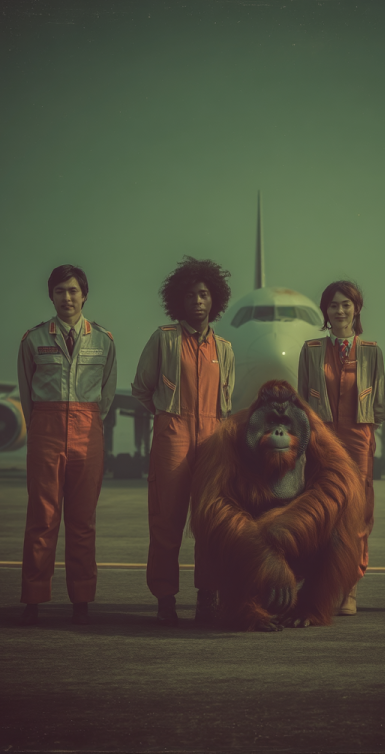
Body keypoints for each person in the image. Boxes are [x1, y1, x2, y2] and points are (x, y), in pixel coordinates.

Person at [131, 256, 234, 625]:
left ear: (214, 300)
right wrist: (165, 414)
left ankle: (208, 597)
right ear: (180, 300)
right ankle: (165, 600)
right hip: (172, 434)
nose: (198, 301)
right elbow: (141, 388)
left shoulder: (224, 348)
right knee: (166, 522)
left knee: (209, 523)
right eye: (191, 295)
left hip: (211, 438)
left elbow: (227, 401)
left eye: (204, 294)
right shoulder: (164, 339)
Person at [17, 264, 117, 625]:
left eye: (73, 290)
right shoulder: (32, 339)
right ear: (51, 296)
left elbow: (106, 395)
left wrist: (87, 422)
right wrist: (44, 424)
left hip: (87, 431)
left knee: (82, 521)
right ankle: (33, 599)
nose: (67, 297)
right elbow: (26, 391)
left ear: (84, 294)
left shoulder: (103, 340)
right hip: (45, 430)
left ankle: (82, 600)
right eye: (60, 291)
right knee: (41, 519)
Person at [297, 281, 385, 616]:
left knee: (358, 516)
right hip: (322, 439)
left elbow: (378, 405)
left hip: (358, 438)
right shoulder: (312, 350)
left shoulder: (371, 351)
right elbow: (302, 397)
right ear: (325, 311)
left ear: (356, 308)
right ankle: (316, 584)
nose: (340, 311)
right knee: (319, 511)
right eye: (333, 305)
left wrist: (366, 435)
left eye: (346, 304)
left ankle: (349, 587)